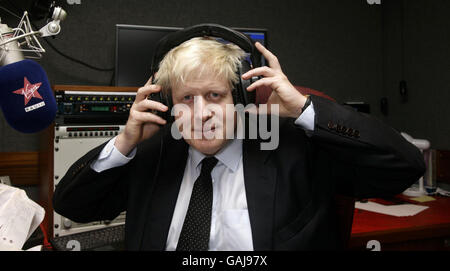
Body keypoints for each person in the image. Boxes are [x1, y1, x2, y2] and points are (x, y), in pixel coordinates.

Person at [53, 29, 425, 251]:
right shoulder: (153, 154)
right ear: (169, 106)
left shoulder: (293, 150)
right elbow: (73, 206)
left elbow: (405, 166)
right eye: (186, 99)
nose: (200, 113)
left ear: (242, 99)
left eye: (214, 95)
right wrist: (124, 143)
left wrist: (304, 109)